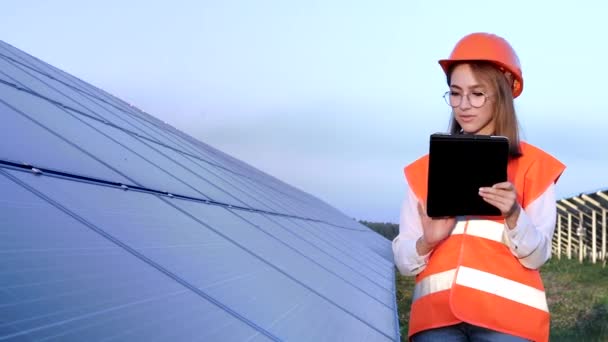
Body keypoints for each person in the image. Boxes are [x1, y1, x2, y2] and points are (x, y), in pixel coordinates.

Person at [392, 32, 566, 342]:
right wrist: (426, 242)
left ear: (501, 94)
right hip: (434, 320)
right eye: (455, 93)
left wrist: (514, 215)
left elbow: (537, 257)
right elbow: (404, 262)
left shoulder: (535, 167)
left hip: (509, 323)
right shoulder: (422, 171)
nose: (463, 105)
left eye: (477, 93)